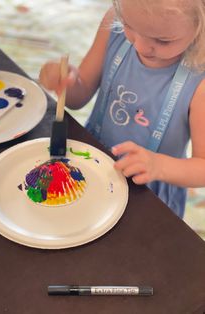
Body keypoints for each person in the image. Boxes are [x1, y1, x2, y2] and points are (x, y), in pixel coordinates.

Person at [39, 0, 205, 218]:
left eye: (162, 40)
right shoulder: (114, 25)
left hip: (148, 192)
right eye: (130, 26)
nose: (140, 46)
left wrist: (157, 166)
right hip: (91, 164)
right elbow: (78, 98)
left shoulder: (199, 81)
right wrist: (65, 84)